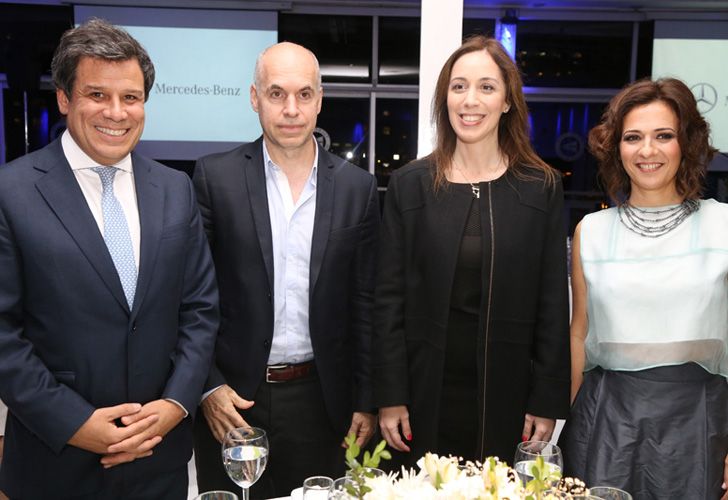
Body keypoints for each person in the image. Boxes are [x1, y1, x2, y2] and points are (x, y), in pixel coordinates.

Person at [0, 19, 219, 499]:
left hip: (159, 459)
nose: (117, 113)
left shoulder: (175, 190)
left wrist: (177, 404)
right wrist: (75, 423)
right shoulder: (10, 192)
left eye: (132, 97)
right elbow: (3, 335)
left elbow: (200, 311)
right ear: (64, 98)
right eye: (97, 95)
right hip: (55, 463)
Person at [192, 42, 379, 498]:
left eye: (303, 94)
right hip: (233, 402)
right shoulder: (215, 178)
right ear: (255, 98)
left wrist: (367, 398)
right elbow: (190, 298)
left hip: (323, 402)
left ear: (319, 99)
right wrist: (208, 388)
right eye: (276, 94)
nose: (291, 109)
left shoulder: (359, 188)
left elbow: (367, 303)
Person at [373, 35, 570, 467]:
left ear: (506, 101)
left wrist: (547, 398)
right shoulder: (410, 184)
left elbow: (553, 302)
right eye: (458, 86)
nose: (470, 100)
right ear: (445, 98)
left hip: (510, 393)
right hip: (423, 391)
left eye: (486, 86)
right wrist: (389, 395)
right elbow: (386, 299)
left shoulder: (541, 187)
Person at [560, 77, 728, 498]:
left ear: (685, 143)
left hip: (698, 422)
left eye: (663, 136)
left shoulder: (722, 225)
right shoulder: (592, 231)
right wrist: (560, 425)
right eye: (633, 137)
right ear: (616, 147)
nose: (647, 150)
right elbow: (579, 334)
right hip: (604, 424)